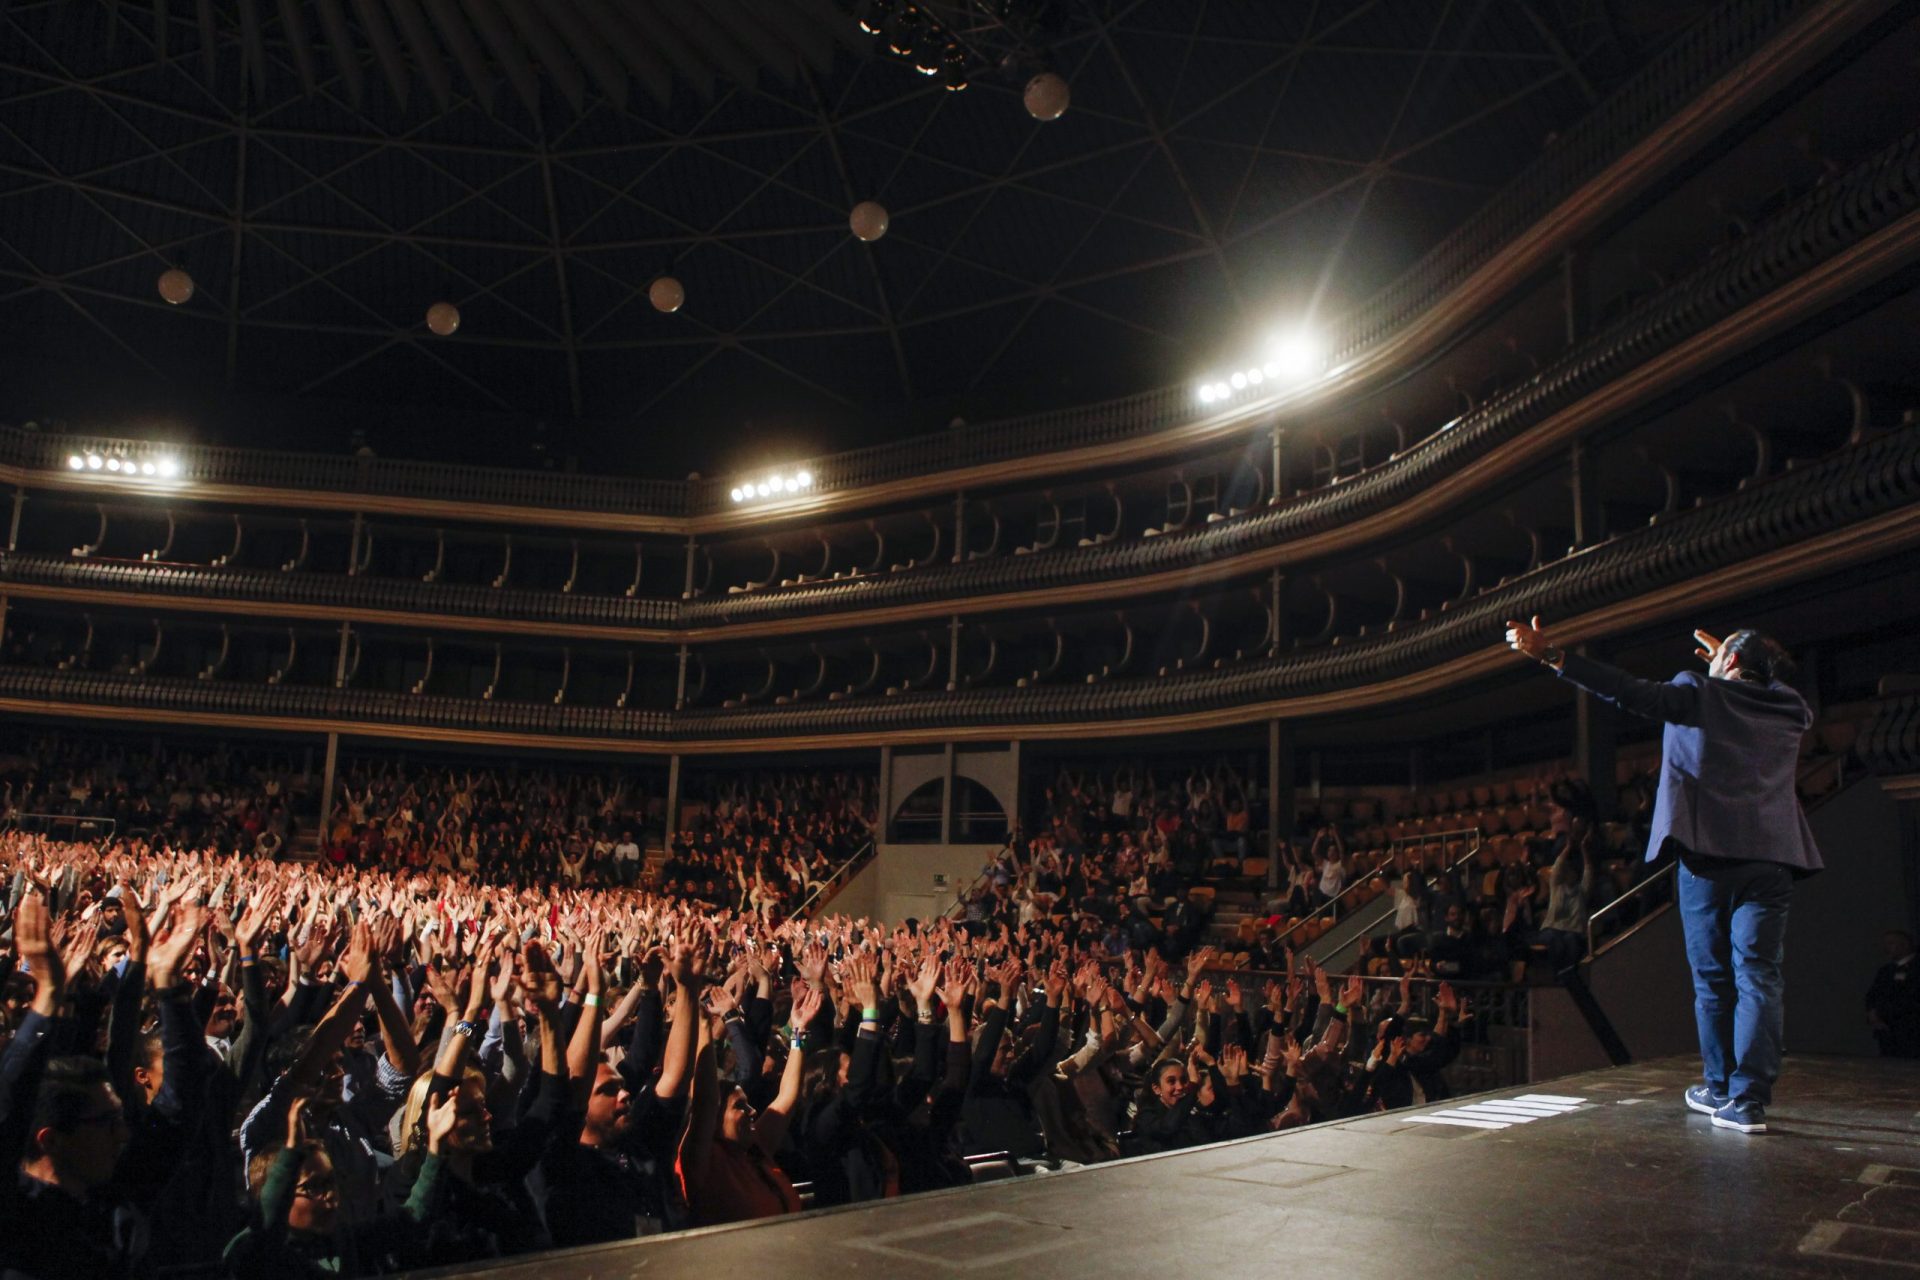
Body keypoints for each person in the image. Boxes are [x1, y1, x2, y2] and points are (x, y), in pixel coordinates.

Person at [1506, 617, 1820, 1134]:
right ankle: (1749, 1102)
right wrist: (1743, 659)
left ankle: (1719, 1087)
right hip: (1772, 862)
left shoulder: (1696, 692)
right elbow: (1775, 681)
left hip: (1708, 859)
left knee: (1714, 981)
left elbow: (1625, 691)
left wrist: (1553, 656)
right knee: (1760, 975)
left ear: (1731, 665)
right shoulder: (1791, 708)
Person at [1865, 929, 1918, 1058]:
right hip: (1887, 1031)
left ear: (1905, 944)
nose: (1886, 948)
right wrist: (1873, 1014)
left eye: (1891, 943)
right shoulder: (1886, 970)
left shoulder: (1916, 967)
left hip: (1911, 1030)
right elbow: (1873, 994)